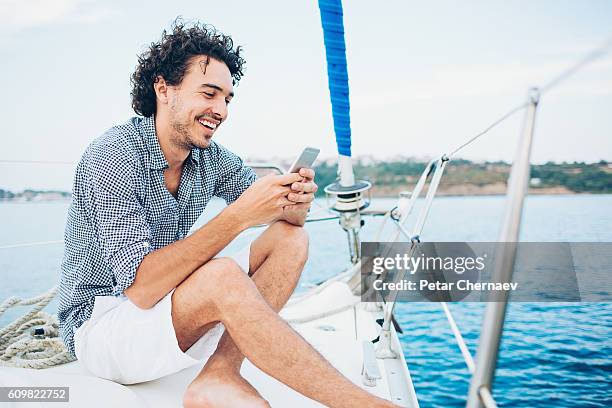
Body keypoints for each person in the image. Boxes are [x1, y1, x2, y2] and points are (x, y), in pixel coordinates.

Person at [58, 19, 397, 408]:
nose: (220, 110)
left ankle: (220, 374)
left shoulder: (211, 159)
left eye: (227, 99)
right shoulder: (113, 155)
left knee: (290, 240)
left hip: (163, 313)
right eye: (209, 93)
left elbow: (287, 224)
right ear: (163, 89)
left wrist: (295, 202)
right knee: (221, 275)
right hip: (102, 325)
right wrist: (239, 216)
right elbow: (140, 289)